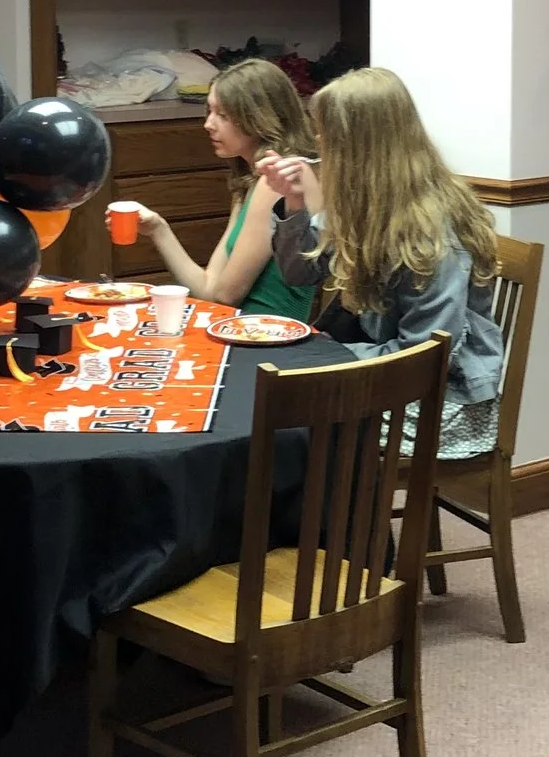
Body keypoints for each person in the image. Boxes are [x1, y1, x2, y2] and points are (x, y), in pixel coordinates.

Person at [260, 67, 507, 462]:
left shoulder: (431, 234)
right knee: (272, 415)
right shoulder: (364, 205)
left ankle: (334, 524)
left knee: (288, 432)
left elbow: (425, 355)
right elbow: (299, 274)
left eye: (326, 136)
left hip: (443, 403)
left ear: (359, 147)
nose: (318, 146)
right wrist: (294, 204)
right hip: (388, 371)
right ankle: (329, 522)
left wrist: (333, 357)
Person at [130, 59, 318, 317]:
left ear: (257, 118)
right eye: (209, 111)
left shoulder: (277, 181)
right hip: (238, 329)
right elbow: (210, 290)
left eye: (223, 115)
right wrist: (158, 229)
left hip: (269, 341)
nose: (208, 124)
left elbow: (225, 297)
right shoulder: (250, 180)